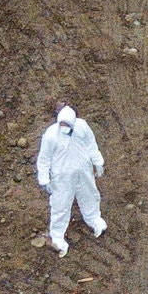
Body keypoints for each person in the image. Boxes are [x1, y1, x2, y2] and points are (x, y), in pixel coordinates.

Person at [36, 105, 107, 256]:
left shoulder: (82, 127)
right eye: (61, 124)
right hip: (62, 177)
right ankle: (57, 236)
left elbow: (91, 145)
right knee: (60, 204)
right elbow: (44, 159)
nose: (64, 127)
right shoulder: (50, 135)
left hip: (83, 171)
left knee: (89, 195)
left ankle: (94, 219)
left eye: (67, 125)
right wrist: (44, 179)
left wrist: (97, 161)